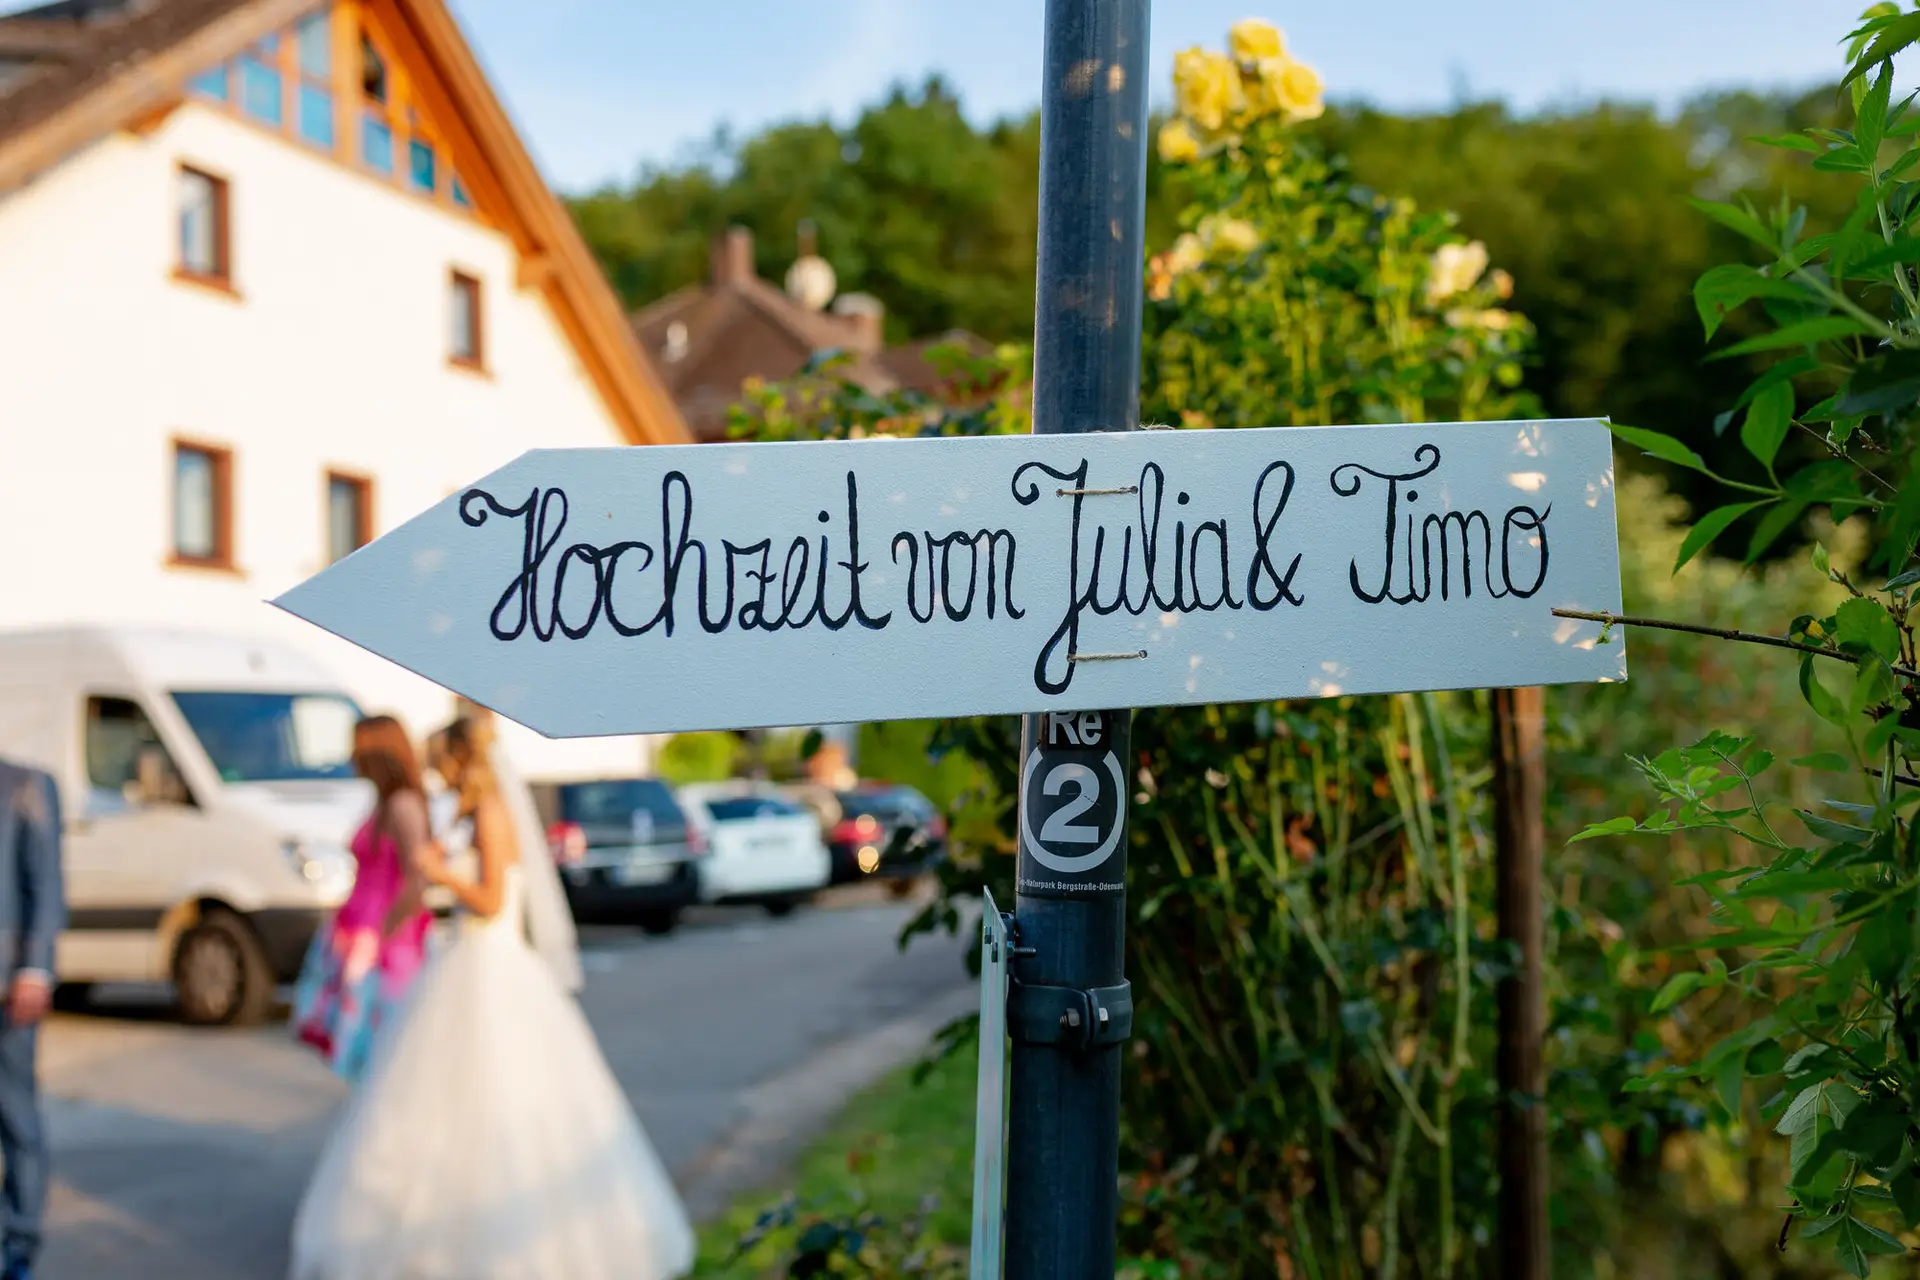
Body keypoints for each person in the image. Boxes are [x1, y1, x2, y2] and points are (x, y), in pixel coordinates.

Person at [288, 715, 695, 1280]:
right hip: (463, 959)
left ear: (461, 760)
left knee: (503, 1102)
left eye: (440, 760)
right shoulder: (465, 812)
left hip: (491, 961)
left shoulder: (491, 813)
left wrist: (438, 875)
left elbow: (493, 898)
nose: (433, 771)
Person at [290, 716, 434, 1083]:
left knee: (382, 1049)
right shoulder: (384, 804)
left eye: (359, 747)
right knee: (364, 1053)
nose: (351, 755)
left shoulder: (402, 805)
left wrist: (381, 936)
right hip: (360, 934)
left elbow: (417, 880)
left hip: (383, 945)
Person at [0, 759, 63, 1280]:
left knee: (16, 1117)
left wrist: (36, 968)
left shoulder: (24, 784)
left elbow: (45, 885)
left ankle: (18, 1244)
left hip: (7, 986)